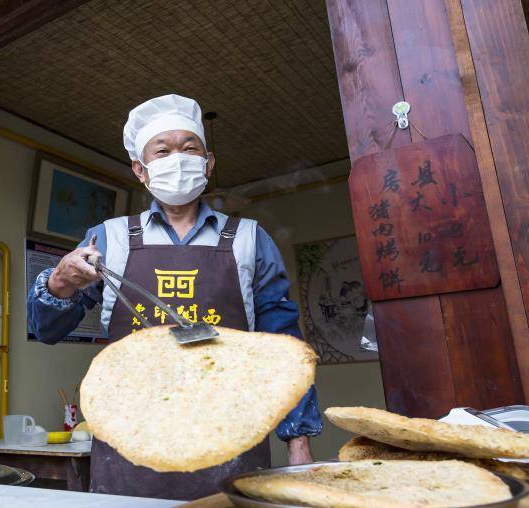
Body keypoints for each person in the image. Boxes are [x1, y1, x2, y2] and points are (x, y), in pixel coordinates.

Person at [27, 94, 321, 500]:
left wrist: (298, 439)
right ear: (141, 169)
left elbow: (285, 349)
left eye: (189, 148)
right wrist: (60, 281)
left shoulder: (250, 239)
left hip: (231, 436)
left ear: (208, 161)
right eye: (162, 151)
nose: (177, 159)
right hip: (129, 442)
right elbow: (45, 330)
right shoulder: (108, 238)